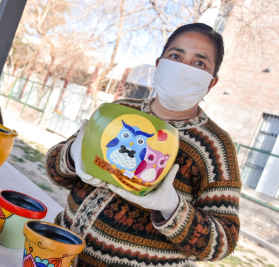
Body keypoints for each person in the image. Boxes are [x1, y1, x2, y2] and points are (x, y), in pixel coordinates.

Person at [44, 23, 241, 266]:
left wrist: (173, 209)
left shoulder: (215, 147)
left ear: (211, 83)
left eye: (199, 63)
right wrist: (71, 156)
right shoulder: (118, 111)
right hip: (53, 254)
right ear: (159, 65)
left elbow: (224, 241)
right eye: (176, 56)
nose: (183, 68)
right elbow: (54, 173)